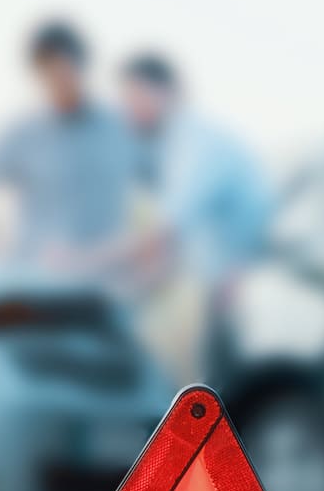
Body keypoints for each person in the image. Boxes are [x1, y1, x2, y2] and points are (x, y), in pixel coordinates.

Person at [99, 52, 273, 380]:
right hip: (228, 290)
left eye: (134, 96)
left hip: (251, 290)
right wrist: (127, 293)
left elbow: (160, 234)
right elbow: (170, 251)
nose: (128, 110)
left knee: (233, 401)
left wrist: (80, 263)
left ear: (166, 91)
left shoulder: (196, 142)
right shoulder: (177, 145)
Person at [0, 20, 136, 268]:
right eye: (47, 75)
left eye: (64, 73)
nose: (57, 84)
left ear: (82, 67)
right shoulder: (20, 132)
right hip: (34, 283)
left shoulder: (123, 127)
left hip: (102, 284)